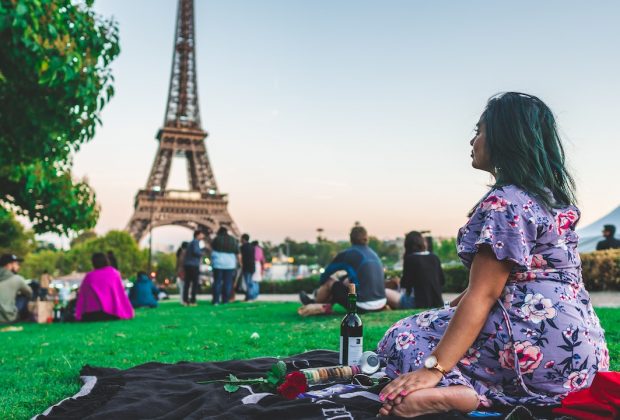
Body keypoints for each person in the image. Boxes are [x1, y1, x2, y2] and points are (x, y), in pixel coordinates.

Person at [377, 93, 609, 417]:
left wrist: (433, 369)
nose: (472, 140)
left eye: (479, 130)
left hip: (532, 345)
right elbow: (499, 284)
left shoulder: (506, 201)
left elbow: (484, 293)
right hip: (582, 361)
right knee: (441, 321)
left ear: (504, 138)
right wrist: (449, 311)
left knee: (401, 336)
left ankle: (462, 394)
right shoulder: (550, 201)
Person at [300, 225, 386, 312]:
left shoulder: (348, 254)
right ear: (367, 238)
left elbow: (325, 275)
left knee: (330, 282)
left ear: (351, 238)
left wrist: (325, 288)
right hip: (381, 303)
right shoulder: (374, 254)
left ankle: (314, 304)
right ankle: (325, 305)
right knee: (345, 280)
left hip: (362, 305)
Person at [385, 231, 444, 309]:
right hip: (437, 302)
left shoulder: (410, 259)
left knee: (384, 292)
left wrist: (398, 282)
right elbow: (442, 281)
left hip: (416, 303)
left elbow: (405, 285)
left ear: (407, 245)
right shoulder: (434, 257)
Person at [75, 253, 134, 322]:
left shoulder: (89, 276)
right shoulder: (114, 273)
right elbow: (121, 295)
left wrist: (78, 314)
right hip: (111, 314)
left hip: (91, 315)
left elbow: (82, 297)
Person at [210, 226, 239, 305]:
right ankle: (225, 300)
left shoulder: (216, 239)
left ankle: (216, 300)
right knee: (228, 283)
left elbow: (211, 248)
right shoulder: (233, 240)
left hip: (218, 263)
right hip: (229, 264)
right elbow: (237, 252)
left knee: (217, 282)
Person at [0, 254, 32, 323]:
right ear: (9, 265)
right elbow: (30, 293)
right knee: (25, 295)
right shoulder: (17, 279)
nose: (19, 267)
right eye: (16, 264)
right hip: (8, 318)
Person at [183, 231, 205, 306]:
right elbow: (196, 252)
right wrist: (202, 253)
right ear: (197, 235)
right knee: (195, 283)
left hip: (188, 264)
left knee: (187, 283)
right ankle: (193, 300)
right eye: (202, 234)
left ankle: (185, 300)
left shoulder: (191, 243)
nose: (203, 236)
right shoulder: (196, 242)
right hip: (193, 265)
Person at [239, 234, 258, 301]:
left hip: (246, 266)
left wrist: (240, 264)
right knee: (250, 282)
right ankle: (251, 295)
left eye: (241, 238)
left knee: (247, 282)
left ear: (243, 239)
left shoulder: (242, 247)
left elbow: (240, 257)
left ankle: (249, 296)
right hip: (252, 266)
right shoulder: (252, 246)